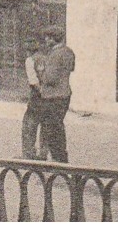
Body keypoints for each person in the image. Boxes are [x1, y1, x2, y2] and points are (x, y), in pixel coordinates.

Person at [34, 25, 76, 163]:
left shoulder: (54, 55)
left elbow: (49, 79)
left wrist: (40, 71)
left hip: (52, 97)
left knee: (52, 130)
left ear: (53, 39)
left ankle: (59, 161)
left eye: (48, 37)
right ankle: (60, 158)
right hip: (65, 94)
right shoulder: (69, 52)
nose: (46, 40)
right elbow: (71, 69)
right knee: (58, 126)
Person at [21, 35, 48, 159]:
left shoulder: (30, 60)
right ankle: (43, 153)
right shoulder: (46, 58)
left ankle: (29, 153)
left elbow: (33, 81)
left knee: (29, 124)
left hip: (37, 96)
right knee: (45, 124)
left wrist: (41, 92)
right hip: (48, 97)